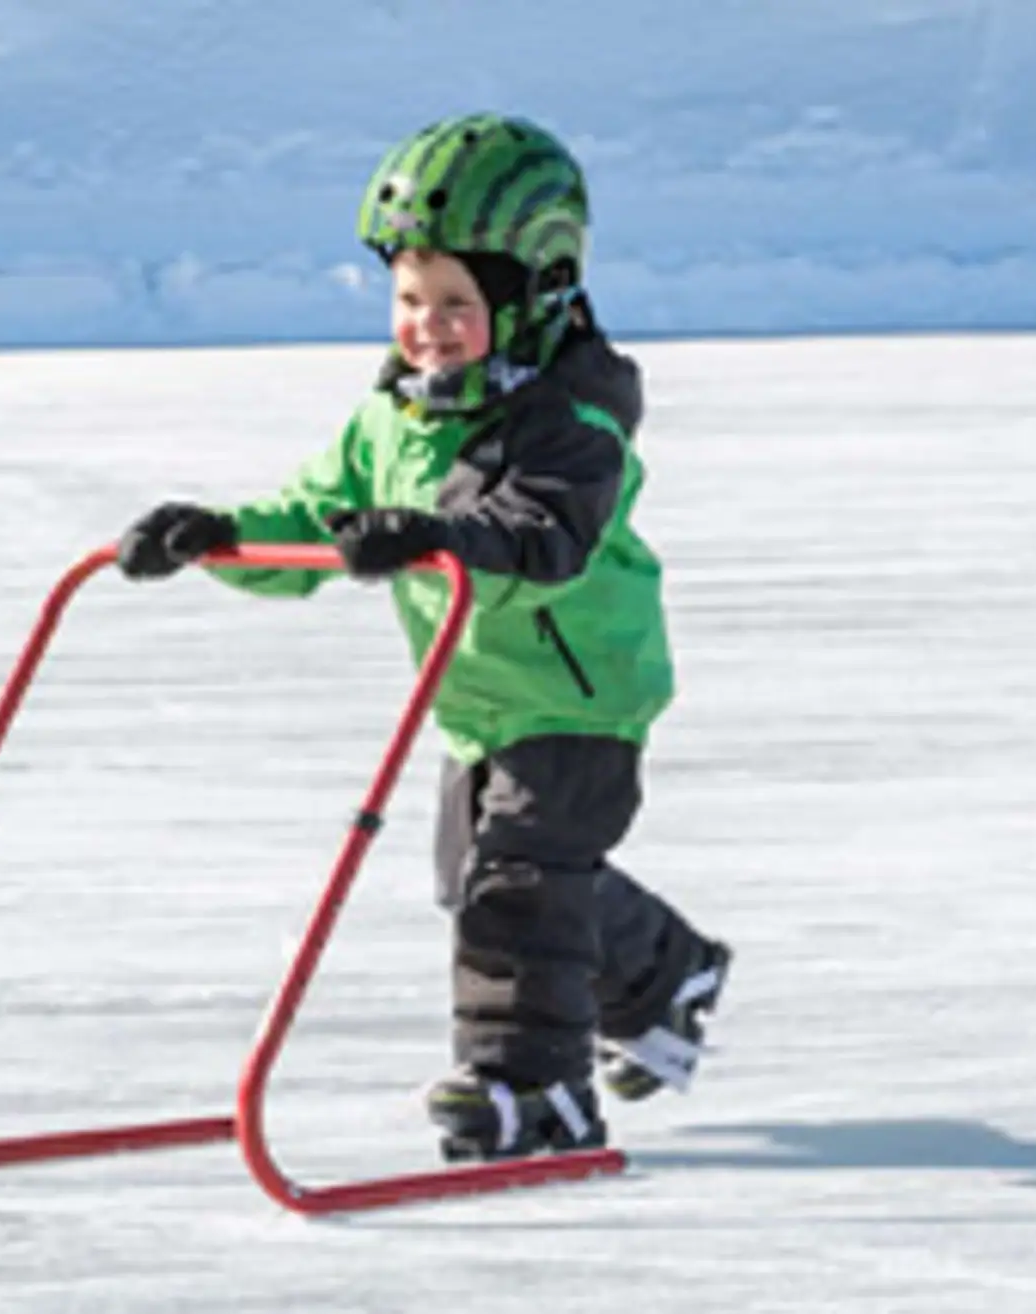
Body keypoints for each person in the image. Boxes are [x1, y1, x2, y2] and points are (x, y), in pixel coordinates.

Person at [114, 114, 730, 1163]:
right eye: (408, 300)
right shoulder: (393, 418)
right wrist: (216, 536)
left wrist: (435, 537)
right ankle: (660, 973)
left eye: (455, 304)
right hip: (477, 701)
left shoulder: (569, 424)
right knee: (483, 881)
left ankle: (532, 1088)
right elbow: (311, 516)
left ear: (535, 293)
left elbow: (539, 541)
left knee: (513, 883)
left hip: (580, 696)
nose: (426, 327)